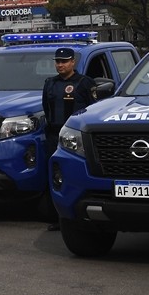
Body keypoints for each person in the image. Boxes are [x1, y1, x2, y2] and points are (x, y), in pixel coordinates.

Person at [42, 47, 97, 230]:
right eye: (57, 61)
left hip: (75, 139)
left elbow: (94, 110)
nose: (60, 65)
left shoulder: (84, 83)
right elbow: (46, 108)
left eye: (64, 61)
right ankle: (57, 217)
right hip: (54, 135)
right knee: (54, 177)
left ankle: (76, 216)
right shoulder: (50, 83)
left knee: (72, 176)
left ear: (73, 62)